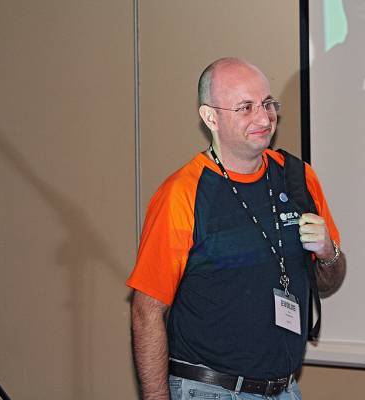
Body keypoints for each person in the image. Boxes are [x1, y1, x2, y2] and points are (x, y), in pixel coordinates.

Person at [127, 57, 345, 400]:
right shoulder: (183, 193)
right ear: (210, 117)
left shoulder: (299, 178)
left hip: (285, 389)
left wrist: (328, 253)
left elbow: (328, 279)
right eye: (245, 108)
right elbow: (146, 312)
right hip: (211, 389)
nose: (263, 118)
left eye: (267, 104)